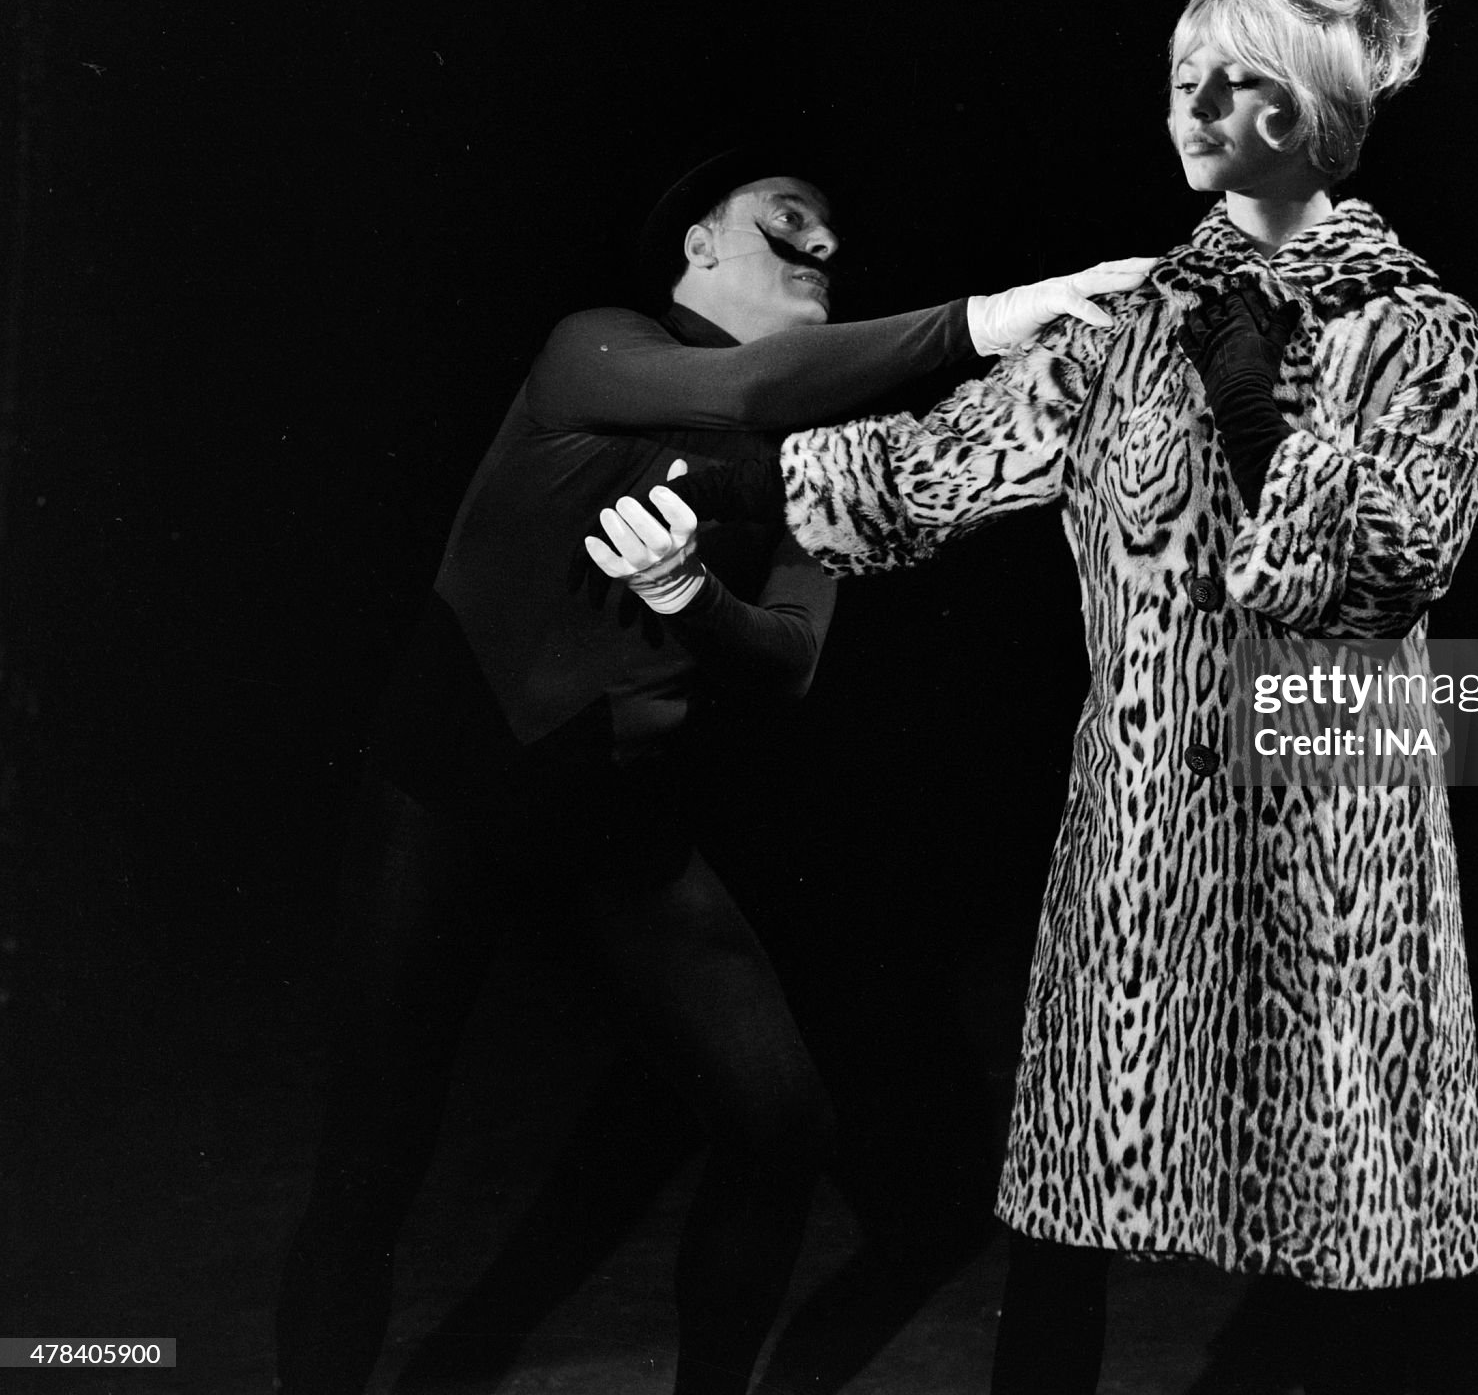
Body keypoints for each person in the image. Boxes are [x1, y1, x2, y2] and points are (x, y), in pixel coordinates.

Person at [594, 0, 1478, 1394]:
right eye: (1179, 77)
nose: (1193, 108)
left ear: (1309, 109)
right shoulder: (1129, 329)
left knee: (1341, 1218)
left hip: (1340, 826)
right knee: (1082, 1200)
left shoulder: (1420, 333)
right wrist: (721, 498)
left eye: (1232, 81)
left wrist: (1271, 426)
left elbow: (1387, 576)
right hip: (1146, 815)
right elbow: (919, 473)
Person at [275, 140, 1150, 1395]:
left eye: (834, 234)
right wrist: (987, 320)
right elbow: (744, 394)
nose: (825, 247)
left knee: (780, 1124)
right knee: (373, 1155)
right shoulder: (595, 344)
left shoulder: (823, 447)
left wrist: (691, 596)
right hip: (449, 799)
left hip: (615, 824)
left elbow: (790, 654)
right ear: (697, 244)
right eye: (789, 216)